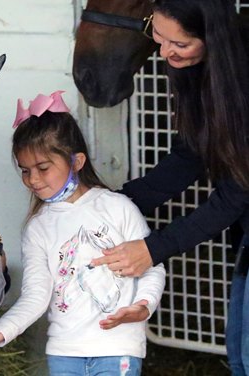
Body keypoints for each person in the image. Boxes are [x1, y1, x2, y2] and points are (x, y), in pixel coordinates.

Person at [0, 91, 166, 375]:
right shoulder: (38, 227)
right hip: (64, 354)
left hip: (117, 349)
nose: (33, 180)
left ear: (77, 162)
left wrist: (144, 306)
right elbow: (36, 296)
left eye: (43, 168)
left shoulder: (118, 208)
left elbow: (153, 266)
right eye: (25, 170)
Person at [88, 1, 249, 374]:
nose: (164, 52)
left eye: (179, 44)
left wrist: (154, 248)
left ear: (213, 38)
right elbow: (188, 155)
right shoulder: (197, 71)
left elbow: (235, 193)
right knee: (240, 358)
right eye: (157, 37)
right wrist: (112, 202)